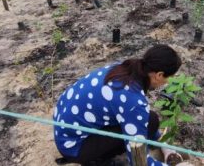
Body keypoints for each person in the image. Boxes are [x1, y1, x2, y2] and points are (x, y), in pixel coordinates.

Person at [53, 45, 183, 165]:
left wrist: (164, 145)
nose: (168, 82)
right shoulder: (134, 102)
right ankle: (96, 161)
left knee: (151, 120)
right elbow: (138, 160)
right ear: (159, 75)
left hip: (64, 129)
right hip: (75, 147)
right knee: (145, 124)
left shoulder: (124, 68)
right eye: (170, 77)